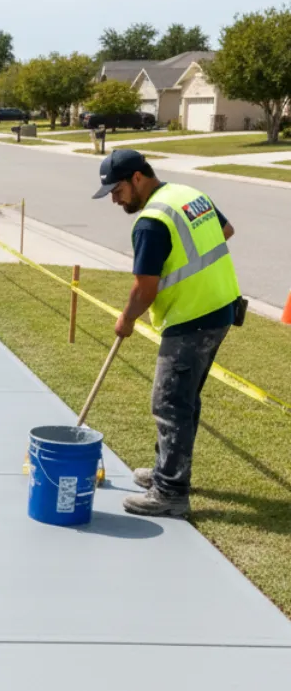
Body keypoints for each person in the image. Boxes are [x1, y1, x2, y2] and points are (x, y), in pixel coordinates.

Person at [92, 149, 243, 518]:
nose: (115, 199)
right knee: (184, 399)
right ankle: (167, 473)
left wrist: (125, 319)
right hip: (221, 307)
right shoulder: (189, 196)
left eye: (117, 190)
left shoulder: (151, 223)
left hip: (192, 317)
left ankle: (171, 492)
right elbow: (225, 230)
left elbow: (145, 289)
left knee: (169, 402)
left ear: (138, 179)